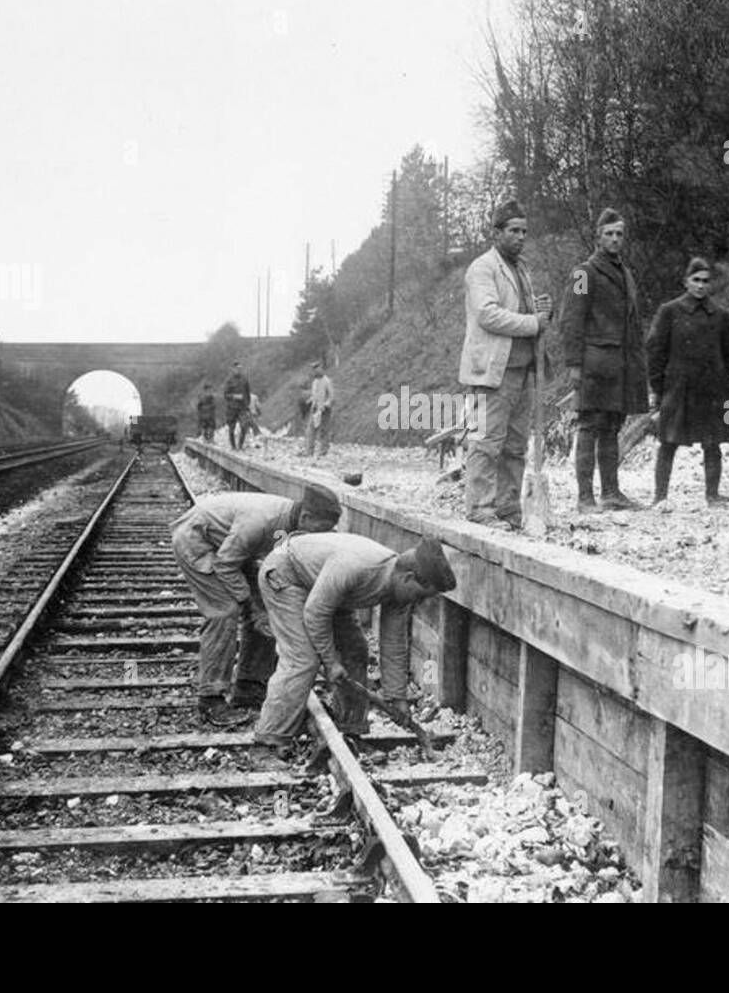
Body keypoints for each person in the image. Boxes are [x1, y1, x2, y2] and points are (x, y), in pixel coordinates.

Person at [252, 532, 456, 761]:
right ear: (408, 578)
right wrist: (330, 662)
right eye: (420, 596)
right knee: (303, 659)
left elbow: (394, 644)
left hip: (326, 589)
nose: (419, 603)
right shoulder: (357, 568)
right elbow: (315, 613)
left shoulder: (398, 591)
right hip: (287, 576)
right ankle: (267, 742)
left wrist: (397, 697)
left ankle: (351, 730)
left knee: (356, 651)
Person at [170, 484, 343, 725]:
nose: (319, 536)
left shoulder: (291, 525)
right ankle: (210, 698)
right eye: (319, 529)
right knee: (224, 612)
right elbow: (225, 565)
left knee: (267, 610)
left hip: (232, 550)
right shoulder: (262, 522)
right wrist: (251, 605)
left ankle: (250, 686)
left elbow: (277, 564)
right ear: (306, 517)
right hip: (198, 540)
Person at [457, 199, 553, 530]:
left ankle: (508, 507)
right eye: (513, 231)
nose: (520, 237)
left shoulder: (522, 269)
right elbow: (487, 314)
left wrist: (542, 313)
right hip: (491, 374)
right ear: (496, 233)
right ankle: (480, 509)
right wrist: (533, 323)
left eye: (524, 231)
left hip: (522, 371)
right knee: (485, 443)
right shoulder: (482, 269)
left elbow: (530, 314)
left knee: (514, 447)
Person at [560, 208, 649, 513]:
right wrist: (573, 365)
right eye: (608, 233)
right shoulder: (584, 273)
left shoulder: (624, 272)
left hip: (619, 364)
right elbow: (572, 319)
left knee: (612, 425)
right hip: (595, 364)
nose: (614, 239)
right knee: (589, 425)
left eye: (619, 234)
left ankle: (611, 493)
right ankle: (585, 497)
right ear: (597, 237)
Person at [646, 257, 729, 504]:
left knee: (713, 442)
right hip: (678, 389)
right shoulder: (669, 312)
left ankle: (713, 494)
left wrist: (722, 384)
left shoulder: (721, 316)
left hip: (712, 390)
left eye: (705, 281)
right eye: (696, 280)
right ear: (686, 282)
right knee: (668, 441)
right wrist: (659, 387)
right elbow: (655, 351)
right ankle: (660, 497)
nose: (700, 286)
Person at [303, 361, 333, 457]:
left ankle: (323, 451)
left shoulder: (327, 381)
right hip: (315, 409)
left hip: (324, 410)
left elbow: (331, 396)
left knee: (323, 431)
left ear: (321, 369)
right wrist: (310, 400)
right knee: (310, 430)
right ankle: (309, 452)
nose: (315, 371)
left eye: (316, 369)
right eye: (314, 369)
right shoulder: (315, 382)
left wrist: (326, 404)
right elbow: (314, 395)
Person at [223, 361, 251, 450]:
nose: (239, 370)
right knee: (231, 428)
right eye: (237, 369)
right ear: (233, 369)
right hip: (232, 408)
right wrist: (234, 396)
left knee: (244, 426)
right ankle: (233, 446)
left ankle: (240, 445)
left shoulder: (244, 380)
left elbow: (248, 393)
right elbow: (225, 394)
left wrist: (247, 404)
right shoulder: (229, 381)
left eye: (240, 369)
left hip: (242, 407)